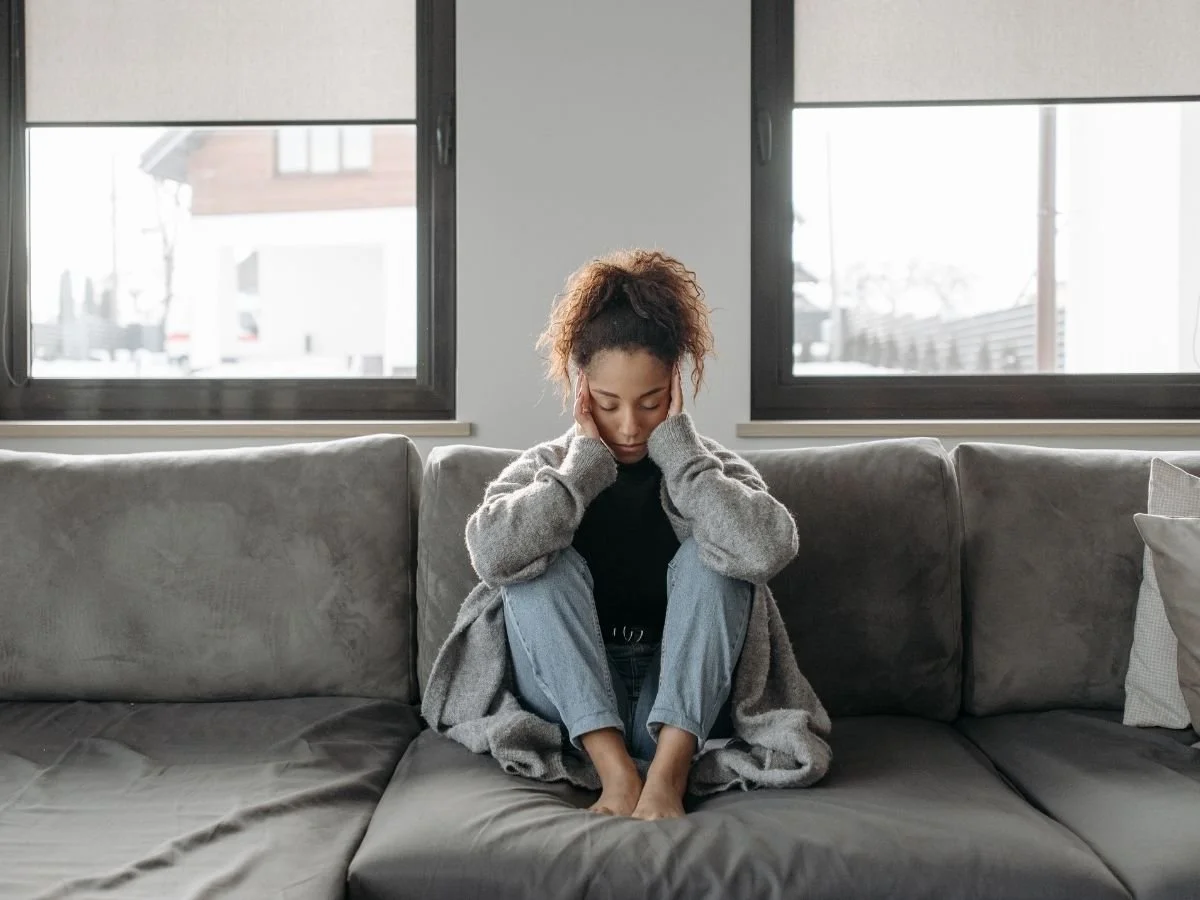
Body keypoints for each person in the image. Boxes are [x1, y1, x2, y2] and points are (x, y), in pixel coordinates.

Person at [422, 249, 831, 820]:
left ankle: (667, 775)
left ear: (677, 390)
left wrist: (684, 458)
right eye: (610, 405)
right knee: (539, 567)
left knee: (716, 558)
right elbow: (491, 554)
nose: (631, 426)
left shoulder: (708, 471)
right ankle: (616, 774)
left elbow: (765, 549)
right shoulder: (548, 468)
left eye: (652, 403)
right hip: (572, 703)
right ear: (580, 387)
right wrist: (578, 475)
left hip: (684, 700)